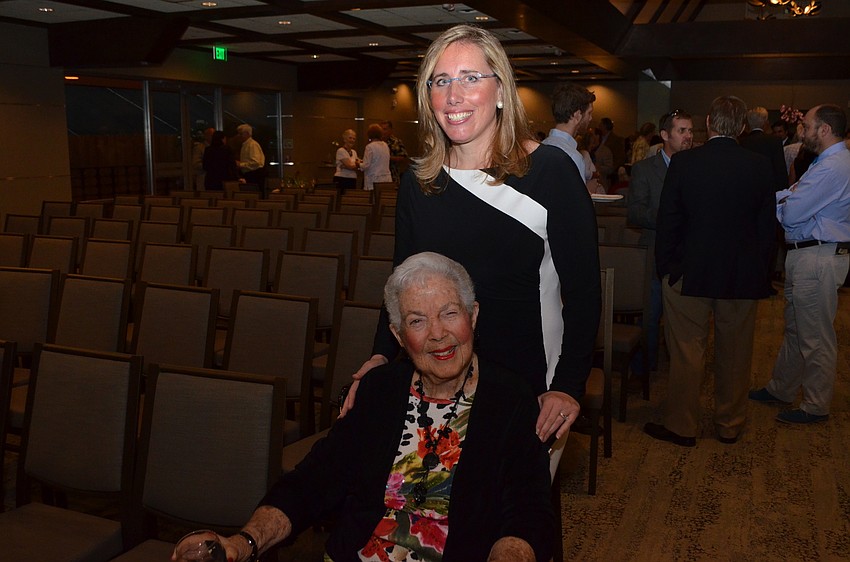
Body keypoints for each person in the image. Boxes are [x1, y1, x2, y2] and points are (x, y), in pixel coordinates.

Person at [172, 252, 555, 562]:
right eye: (417, 321)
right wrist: (243, 542)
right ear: (398, 337)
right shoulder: (379, 392)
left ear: (472, 316)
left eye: (450, 313)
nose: (438, 333)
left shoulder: (511, 400)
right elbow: (313, 481)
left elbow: (527, 512)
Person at [344, 24, 601, 454]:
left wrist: (568, 386)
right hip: (436, 374)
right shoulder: (418, 183)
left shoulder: (550, 172)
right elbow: (402, 286)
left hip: (530, 381)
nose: (453, 95)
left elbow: (585, 292)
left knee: (510, 516)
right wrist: (380, 356)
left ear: (501, 89)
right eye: (441, 80)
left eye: (470, 78)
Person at [645, 95, 775, 446]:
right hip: (741, 274)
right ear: (742, 127)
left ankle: (682, 425)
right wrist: (762, 271)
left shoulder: (685, 164)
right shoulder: (760, 166)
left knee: (687, 352)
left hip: (689, 273)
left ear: (709, 124)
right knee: (735, 353)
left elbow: (668, 221)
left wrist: (666, 267)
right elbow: (767, 228)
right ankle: (729, 424)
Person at [749, 104, 850, 424]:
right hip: (810, 254)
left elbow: (791, 212)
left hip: (817, 256)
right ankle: (782, 387)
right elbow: (788, 196)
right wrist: (787, 201)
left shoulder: (832, 167)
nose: (800, 131)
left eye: (806, 126)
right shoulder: (827, 162)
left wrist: (785, 204)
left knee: (815, 336)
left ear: (824, 130)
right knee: (796, 329)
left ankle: (816, 404)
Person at [625, 109, 693, 380]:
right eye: (682, 131)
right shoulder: (645, 169)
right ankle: (645, 373)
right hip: (653, 252)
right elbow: (635, 212)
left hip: (687, 255)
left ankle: (679, 373)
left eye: (690, 131)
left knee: (684, 322)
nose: (688, 137)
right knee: (651, 318)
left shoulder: (696, 167)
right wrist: (673, 216)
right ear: (665, 135)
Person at [541, 83, 603, 195]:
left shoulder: (541, 147)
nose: (591, 118)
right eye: (589, 113)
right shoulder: (573, 157)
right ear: (577, 115)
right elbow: (576, 205)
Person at [359, 123, 393, 191]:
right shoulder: (385, 145)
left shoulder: (370, 147)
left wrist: (358, 164)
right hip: (386, 179)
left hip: (373, 179)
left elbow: (366, 165)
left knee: (373, 199)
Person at [598, 117, 626, 185]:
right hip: (601, 170)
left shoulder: (616, 140)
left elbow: (620, 157)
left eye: (600, 124)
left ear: (605, 126)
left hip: (610, 173)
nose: (599, 126)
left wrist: (612, 169)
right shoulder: (599, 138)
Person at [380, 120, 409, 184]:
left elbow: (404, 158)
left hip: (393, 176)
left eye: (385, 129)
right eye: (381, 129)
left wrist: (388, 158)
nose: (383, 131)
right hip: (378, 177)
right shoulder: (376, 143)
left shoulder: (396, 142)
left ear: (390, 130)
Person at [334, 128, 360, 193]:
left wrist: (346, 166)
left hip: (352, 180)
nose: (352, 140)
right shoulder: (341, 151)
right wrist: (355, 165)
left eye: (354, 138)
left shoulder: (354, 152)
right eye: (350, 138)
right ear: (344, 139)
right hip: (341, 180)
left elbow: (360, 164)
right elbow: (350, 166)